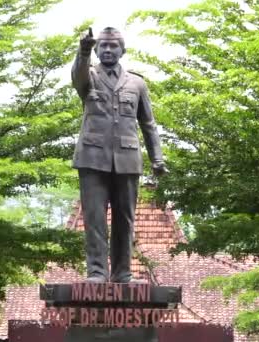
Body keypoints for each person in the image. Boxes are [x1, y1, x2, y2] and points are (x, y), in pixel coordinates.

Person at [71, 27, 168, 283]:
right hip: (92, 159)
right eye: (102, 46)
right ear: (96, 49)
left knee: (125, 219)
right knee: (94, 218)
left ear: (122, 50)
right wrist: (82, 51)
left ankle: (123, 273)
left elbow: (148, 123)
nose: (107, 50)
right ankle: (97, 272)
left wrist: (157, 158)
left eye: (113, 46)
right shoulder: (88, 76)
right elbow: (77, 77)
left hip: (127, 159)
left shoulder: (137, 83)